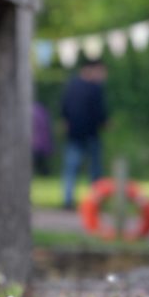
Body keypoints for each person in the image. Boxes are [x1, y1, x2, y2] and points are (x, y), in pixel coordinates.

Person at [60, 61, 108, 208]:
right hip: (90, 134)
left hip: (74, 134)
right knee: (94, 170)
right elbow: (99, 111)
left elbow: (63, 107)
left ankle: (67, 200)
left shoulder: (71, 85)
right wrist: (104, 122)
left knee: (70, 169)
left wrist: (66, 122)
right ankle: (95, 202)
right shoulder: (95, 88)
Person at [31, 101, 53, 176]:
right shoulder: (42, 112)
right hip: (40, 144)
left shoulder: (30, 111)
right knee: (40, 163)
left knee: (37, 162)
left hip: (34, 143)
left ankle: (44, 174)